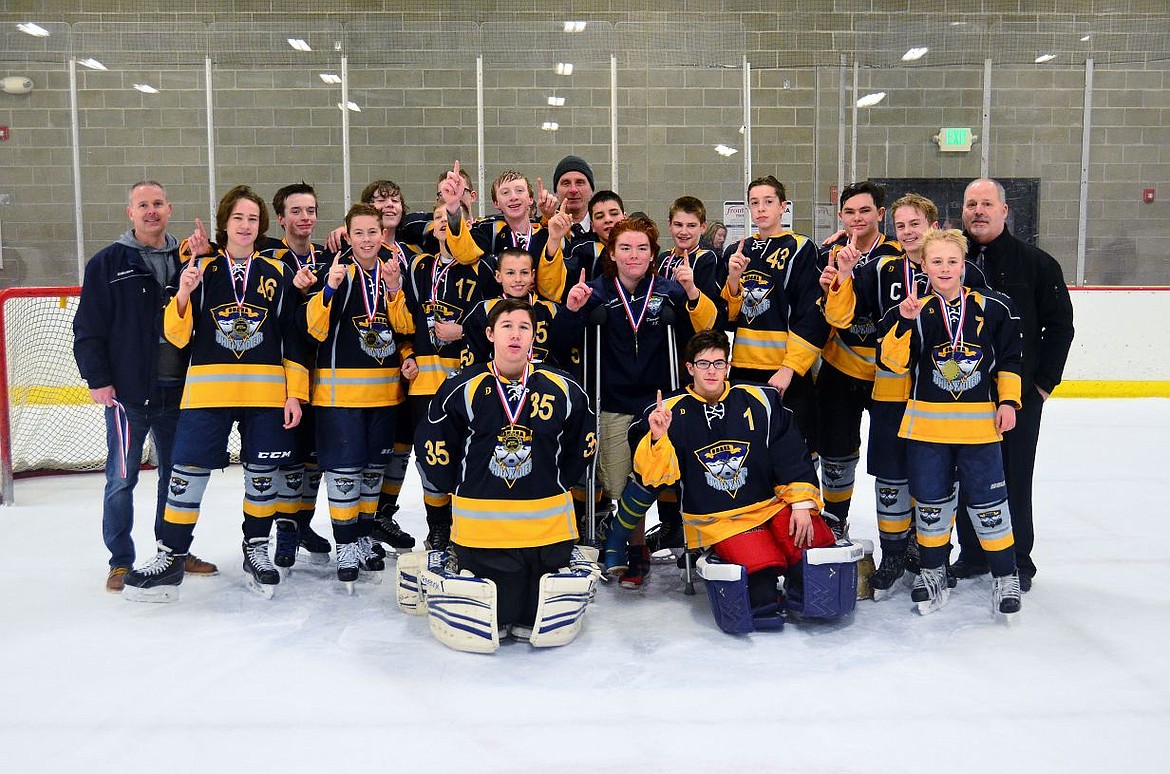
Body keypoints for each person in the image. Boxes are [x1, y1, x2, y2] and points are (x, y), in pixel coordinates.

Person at [121, 185, 308, 602]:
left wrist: (294, 394)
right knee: (186, 474)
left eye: (253, 220)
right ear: (224, 224)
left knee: (262, 478)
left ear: (261, 228)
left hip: (265, 395)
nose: (245, 226)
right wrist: (184, 292)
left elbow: (293, 340)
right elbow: (175, 334)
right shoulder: (200, 269)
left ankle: (255, 549)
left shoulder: (275, 275)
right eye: (238, 218)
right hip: (207, 394)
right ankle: (171, 555)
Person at [603, 329, 836, 630]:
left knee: (812, 551)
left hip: (770, 505)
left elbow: (789, 453)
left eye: (718, 363)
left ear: (728, 366)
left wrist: (802, 504)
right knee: (760, 590)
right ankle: (770, 586)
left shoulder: (760, 400)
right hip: (719, 518)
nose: (711, 371)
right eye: (703, 363)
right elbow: (654, 477)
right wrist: (658, 437)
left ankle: (796, 587)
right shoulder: (667, 411)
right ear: (689, 367)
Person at [407, 298, 599, 651]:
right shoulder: (460, 387)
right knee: (499, 620)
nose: (515, 335)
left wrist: (557, 482)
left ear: (533, 337)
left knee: (536, 623)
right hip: (483, 537)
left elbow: (581, 448)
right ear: (490, 334)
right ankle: (447, 566)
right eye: (507, 327)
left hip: (548, 535)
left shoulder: (564, 387)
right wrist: (458, 489)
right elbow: (433, 446)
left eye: (524, 327)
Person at [73, 180, 218, 592]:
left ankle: (172, 551)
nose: (151, 211)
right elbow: (87, 328)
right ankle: (121, 561)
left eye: (158, 204)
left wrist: (206, 257)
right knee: (122, 479)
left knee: (176, 478)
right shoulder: (107, 262)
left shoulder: (189, 257)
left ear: (169, 209)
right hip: (128, 396)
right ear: (130, 212)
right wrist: (98, 379)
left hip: (181, 392)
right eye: (143, 205)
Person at [564, 216, 720, 587]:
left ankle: (634, 545)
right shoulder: (596, 291)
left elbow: (705, 332)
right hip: (613, 400)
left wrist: (692, 294)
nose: (634, 255)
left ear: (652, 253)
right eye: (625, 248)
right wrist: (573, 309)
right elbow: (562, 342)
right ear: (612, 253)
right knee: (621, 481)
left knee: (662, 472)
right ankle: (634, 544)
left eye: (642, 248)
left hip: (660, 400)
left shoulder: (669, 291)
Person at [879, 229, 1024, 617]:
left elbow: (1010, 359)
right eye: (937, 261)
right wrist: (903, 323)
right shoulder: (911, 310)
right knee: (930, 504)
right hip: (927, 429)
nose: (945, 269)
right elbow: (892, 364)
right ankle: (932, 571)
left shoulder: (995, 307)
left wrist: (1009, 401)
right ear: (923, 265)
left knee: (989, 504)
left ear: (965, 264)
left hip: (978, 429)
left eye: (952, 261)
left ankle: (1004, 575)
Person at [954, 178, 1075, 591]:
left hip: (1020, 398)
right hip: (962, 394)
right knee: (968, 476)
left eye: (987, 203)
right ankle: (972, 554)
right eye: (972, 204)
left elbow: (1059, 328)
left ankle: (1019, 559)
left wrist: (1042, 385)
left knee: (1015, 475)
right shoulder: (949, 262)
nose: (979, 211)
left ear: (1006, 211)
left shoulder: (1037, 264)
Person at [303, 203, 410, 589]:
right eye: (359, 233)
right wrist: (328, 287)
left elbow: (403, 327)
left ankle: (363, 537)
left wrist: (397, 289)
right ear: (348, 236)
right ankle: (345, 544)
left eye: (373, 232)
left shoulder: (391, 272)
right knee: (344, 473)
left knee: (371, 473)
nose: (367, 240)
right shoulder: (336, 272)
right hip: (339, 397)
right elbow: (313, 328)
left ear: (383, 235)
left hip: (384, 395)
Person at [814, 181, 904, 538]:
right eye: (849, 212)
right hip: (840, 367)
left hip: (888, 374)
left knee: (893, 457)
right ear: (840, 216)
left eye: (865, 211)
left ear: (881, 214)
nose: (857, 218)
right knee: (835, 448)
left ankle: (901, 533)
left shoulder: (900, 255)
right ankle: (835, 519)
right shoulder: (829, 253)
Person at [721, 175, 828, 451]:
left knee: (795, 450)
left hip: (785, 371)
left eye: (768, 202)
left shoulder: (801, 248)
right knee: (750, 448)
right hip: (744, 367)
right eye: (754, 203)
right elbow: (730, 318)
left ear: (783, 207)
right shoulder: (737, 251)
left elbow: (812, 314)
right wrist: (733, 279)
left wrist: (789, 369)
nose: (761, 209)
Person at [260, 182, 333, 568]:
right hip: (284, 372)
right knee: (288, 457)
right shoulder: (269, 258)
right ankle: (285, 531)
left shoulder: (326, 257)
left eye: (311, 210)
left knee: (314, 458)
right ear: (281, 218)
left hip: (320, 371)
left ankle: (302, 524)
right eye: (296, 211)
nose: (305, 218)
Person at [551, 155, 595, 238]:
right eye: (566, 183)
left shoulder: (605, 229)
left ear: (591, 191)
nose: (573, 190)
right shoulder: (544, 229)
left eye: (580, 182)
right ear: (556, 192)